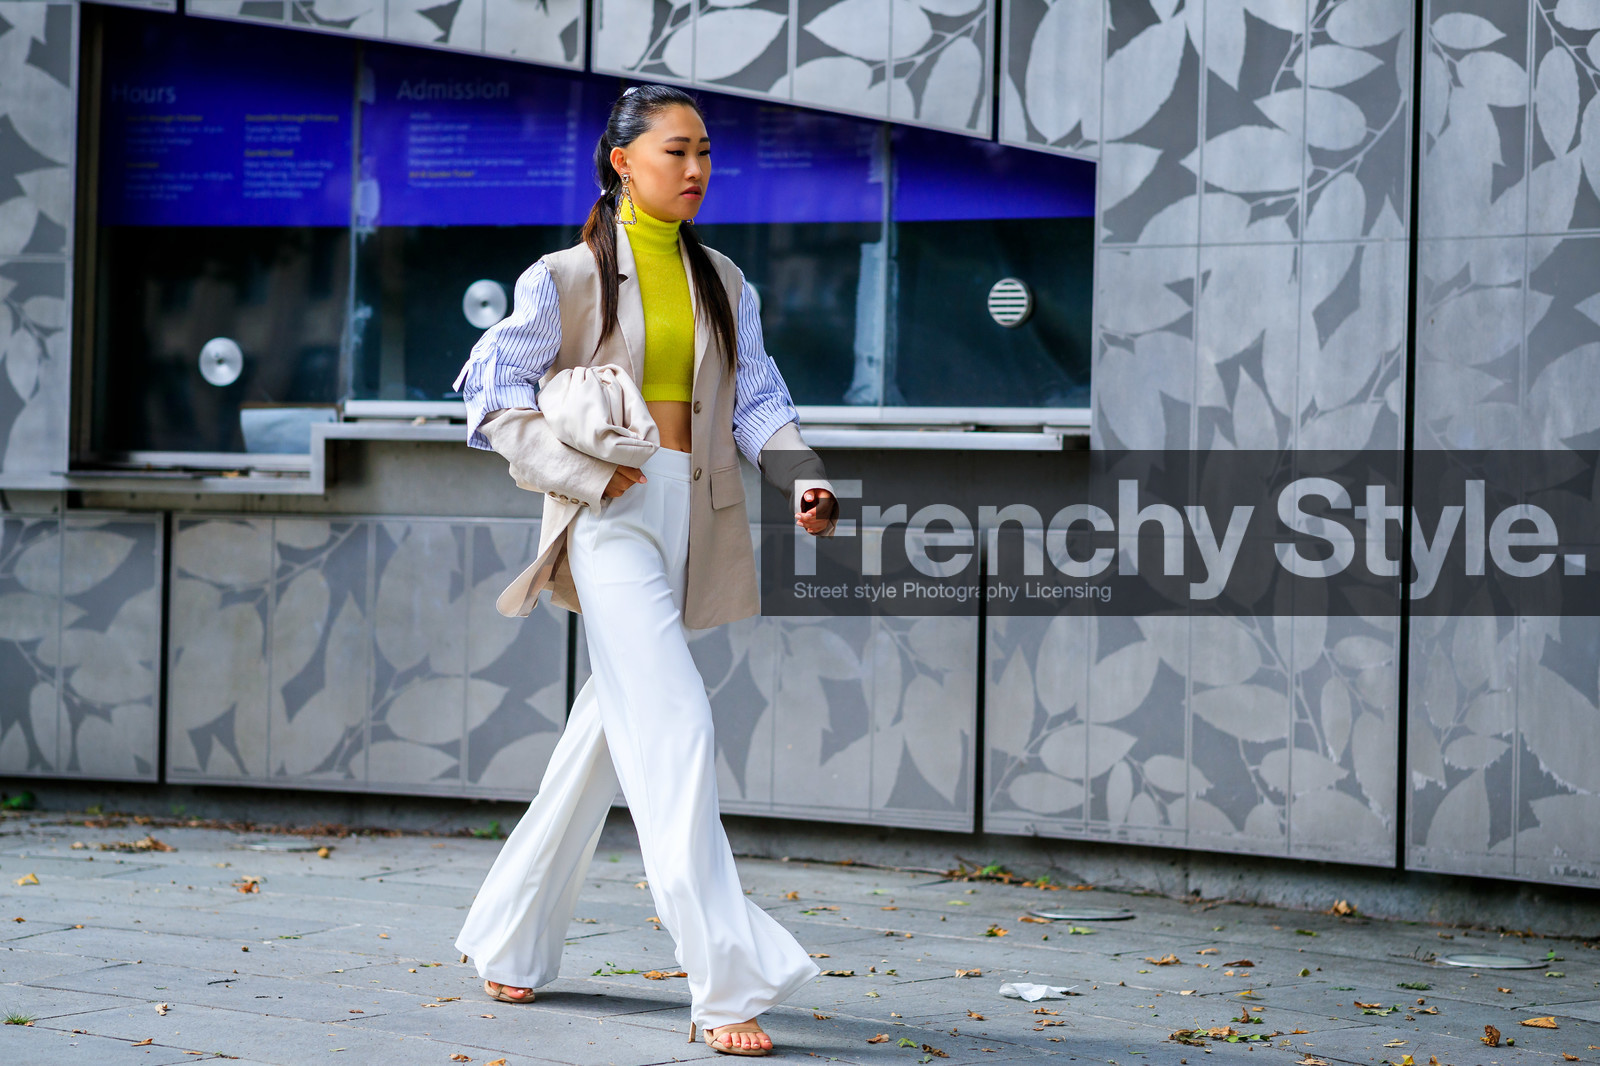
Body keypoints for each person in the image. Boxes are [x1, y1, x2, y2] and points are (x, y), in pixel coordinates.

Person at [451, 83, 839, 1057]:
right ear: (623, 161)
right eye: (677, 151)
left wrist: (802, 478)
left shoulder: (724, 280)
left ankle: (510, 937)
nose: (698, 168)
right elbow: (490, 399)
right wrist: (584, 473)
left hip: (688, 515)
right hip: (610, 515)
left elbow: (757, 398)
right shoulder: (568, 276)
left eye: (706, 151)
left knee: (602, 736)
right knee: (676, 721)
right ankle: (724, 983)